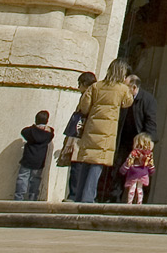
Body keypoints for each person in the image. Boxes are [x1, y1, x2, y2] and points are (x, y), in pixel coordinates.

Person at [71, 60, 136, 203]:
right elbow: (128, 102)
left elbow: (84, 106)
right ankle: (88, 198)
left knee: (87, 161)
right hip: (107, 131)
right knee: (97, 163)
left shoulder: (96, 86)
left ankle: (79, 195)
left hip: (92, 127)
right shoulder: (122, 89)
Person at [111, 72, 158, 201]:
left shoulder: (148, 100)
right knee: (119, 169)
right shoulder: (123, 100)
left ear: (134, 88)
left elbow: (151, 122)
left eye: (126, 87)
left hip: (140, 143)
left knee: (142, 173)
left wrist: (149, 142)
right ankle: (114, 198)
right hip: (124, 140)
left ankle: (141, 202)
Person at [60, 72, 96, 201]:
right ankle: (76, 194)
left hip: (80, 134)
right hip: (84, 134)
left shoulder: (88, 95)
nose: (78, 87)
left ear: (84, 84)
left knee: (77, 166)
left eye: (79, 84)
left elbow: (83, 111)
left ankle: (74, 195)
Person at [16, 110, 54, 202]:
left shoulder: (31, 131)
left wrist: (35, 127)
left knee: (22, 178)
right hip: (39, 161)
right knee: (35, 180)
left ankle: (18, 198)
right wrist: (48, 129)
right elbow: (52, 133)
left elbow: (23, 131)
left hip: (28, 159)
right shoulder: (48, 134)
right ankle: (33, 199)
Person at [120, 131, 156, 204]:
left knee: (132, 189)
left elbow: (127, 164)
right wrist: (152, 170)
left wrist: (123, 170)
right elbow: (151, 167)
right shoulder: (148, 155)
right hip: (143, 174)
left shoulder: (133, 154)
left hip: (133, 174)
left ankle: (130, 202)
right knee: (139, 189)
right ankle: (139, 202)